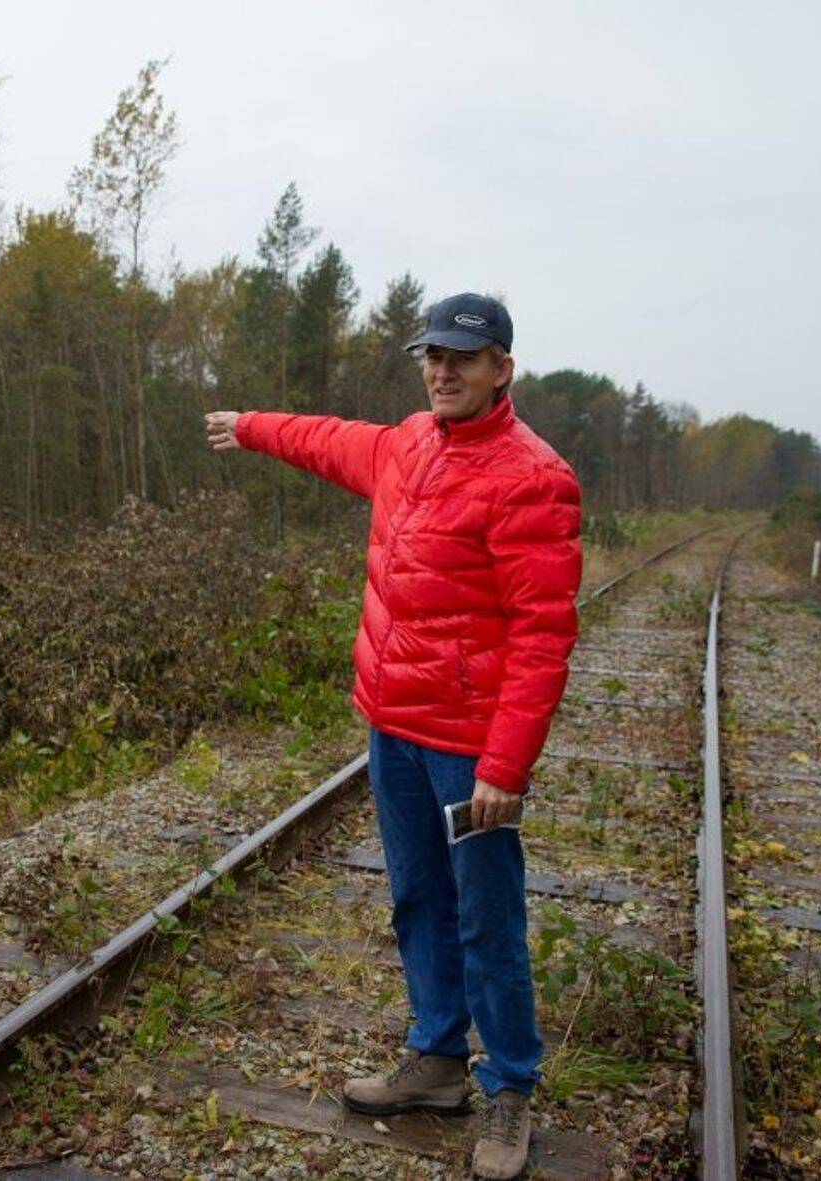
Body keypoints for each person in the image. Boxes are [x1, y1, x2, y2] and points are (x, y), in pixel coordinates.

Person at [204, 292, 581, 1180]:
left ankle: (511, 1087)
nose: (442, 371)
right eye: (432, 356)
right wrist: (252, 425)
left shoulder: (534, 478)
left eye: (461, 357)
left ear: (501, 370)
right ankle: (438, 1059)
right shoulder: (409, 444)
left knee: (487, 916)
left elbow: (542, 636)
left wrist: (505, 765)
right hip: (395, 731)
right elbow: (330, 438)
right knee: (416, 897)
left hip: (467, 750)